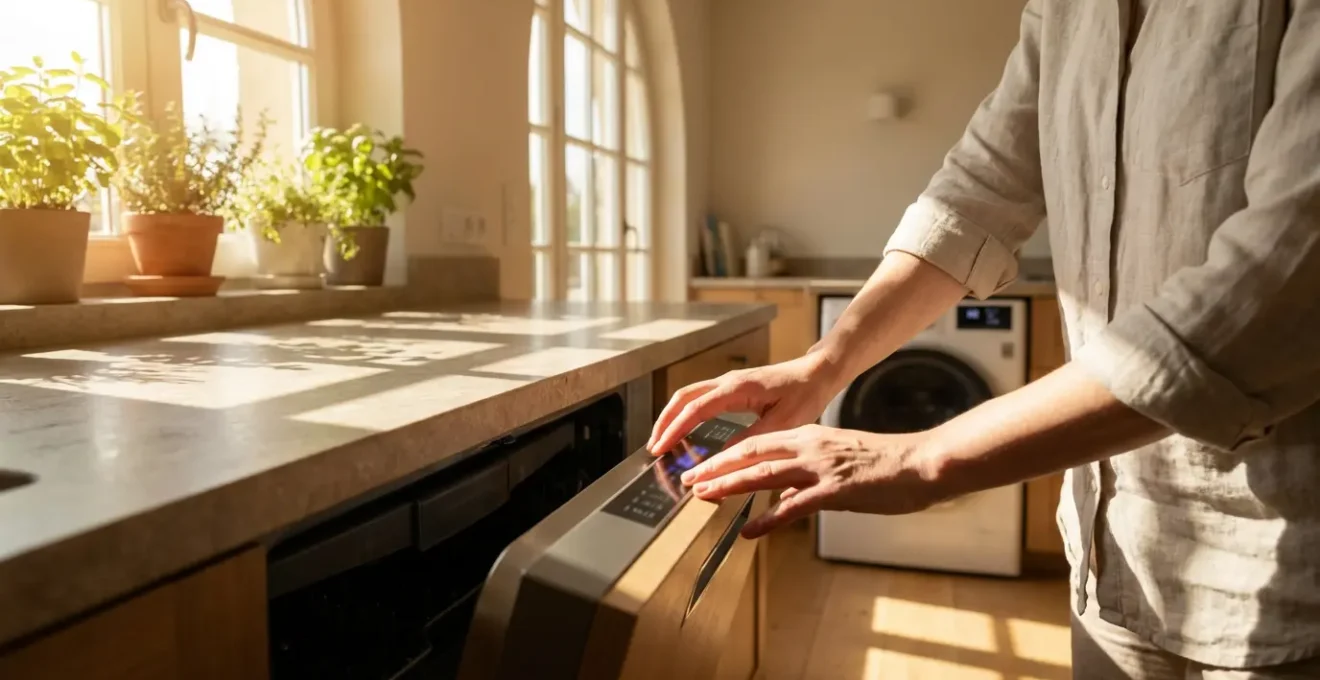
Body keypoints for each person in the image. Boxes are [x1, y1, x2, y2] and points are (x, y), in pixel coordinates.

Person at [648, 2, 1320, 678]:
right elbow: (977, 193)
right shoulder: (1062, 11)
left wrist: (922, 457)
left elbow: (1279, 284)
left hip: (1283, 575)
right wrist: (824, 366)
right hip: (1110, 554)